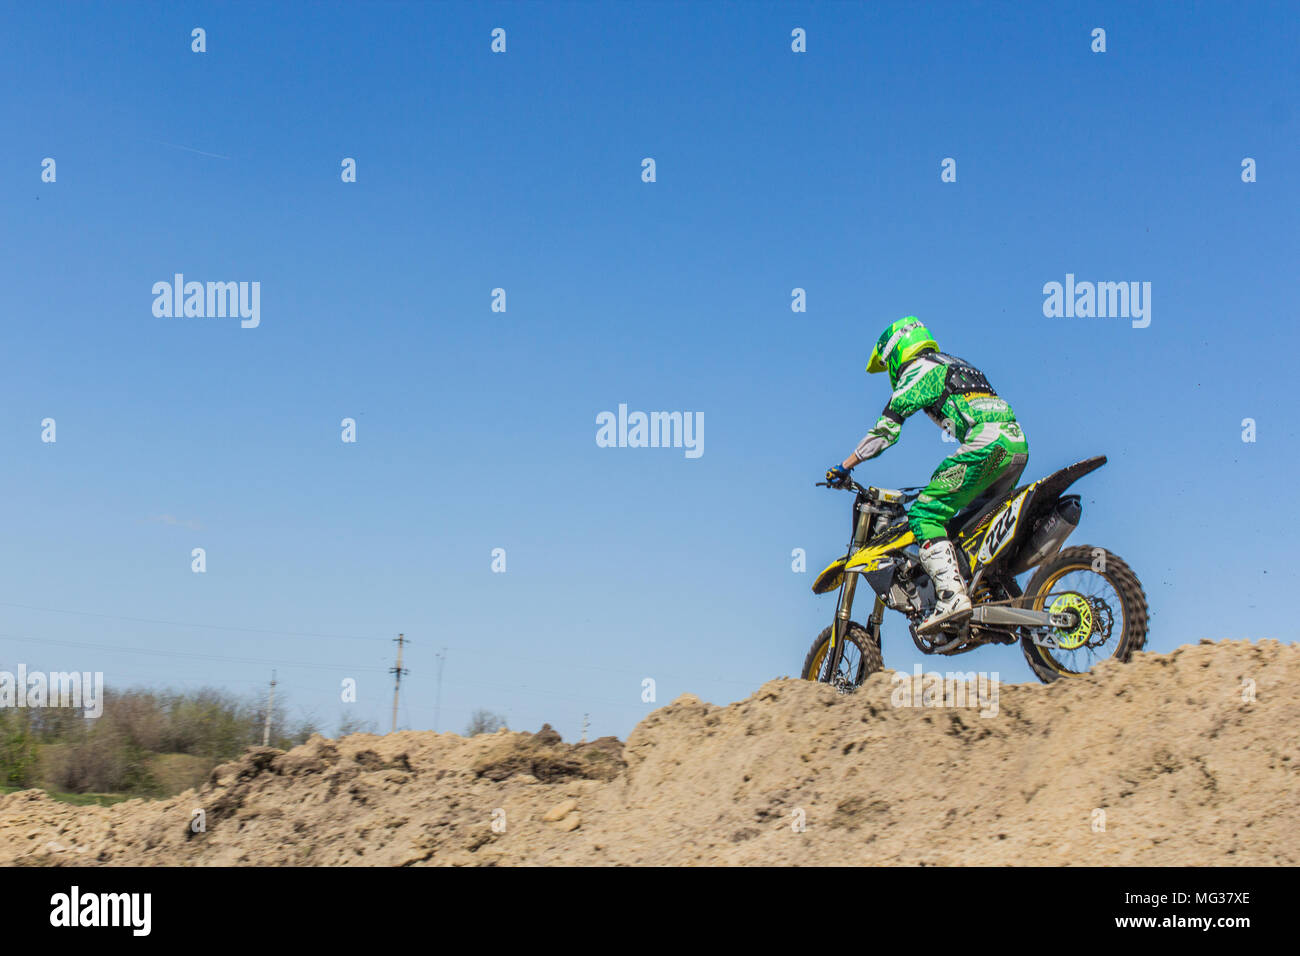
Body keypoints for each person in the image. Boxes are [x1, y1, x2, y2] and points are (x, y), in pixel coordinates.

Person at [825, 317, 1028, 632]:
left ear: (895, 355)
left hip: (987, 447)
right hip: (1014, 446)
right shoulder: (959, 365)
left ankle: (951, 597)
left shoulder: (920, 370)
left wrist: (846, 465)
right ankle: (994, 592)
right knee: (974, 525)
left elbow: (886, 430)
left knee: (924, 512)